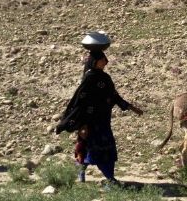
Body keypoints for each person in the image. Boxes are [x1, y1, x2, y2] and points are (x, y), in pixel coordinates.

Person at [56, 49, 143, 186]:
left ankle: (93, 173)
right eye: (103, 59)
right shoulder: (89, 78)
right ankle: (109, 179)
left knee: (104, 149)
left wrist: (131, 107)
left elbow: (114, 96)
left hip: (104, 120)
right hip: (91, 122)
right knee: (94, 149)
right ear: (95, 62)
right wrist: (82, 125)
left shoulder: (106, 78)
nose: (105, 62)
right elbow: (80, 101)